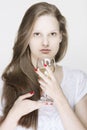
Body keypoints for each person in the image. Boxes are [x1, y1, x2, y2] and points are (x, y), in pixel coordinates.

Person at [0, 2, 87, 130]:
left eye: (52, 34)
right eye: (37, 34)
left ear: (60, 37)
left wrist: (60, 98)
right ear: (27, 37)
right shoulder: (7, 82)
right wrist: (14, 115)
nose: (45, 42)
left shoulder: (77, 80)